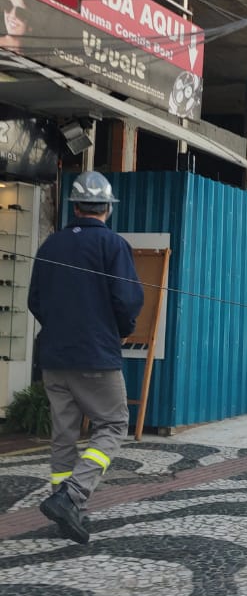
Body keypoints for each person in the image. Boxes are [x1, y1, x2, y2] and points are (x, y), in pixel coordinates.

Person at [27, 172, 144, 544]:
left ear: (74, 206)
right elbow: (127, 300)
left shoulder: (50, 246)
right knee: (113, 424)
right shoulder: (113, 245)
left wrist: (61, 329)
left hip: (54, 357)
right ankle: (72, 496)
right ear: (108, 208)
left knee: (64, 433)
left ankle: (66, 504)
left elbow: (35, 300)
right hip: (96, 357)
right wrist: (121, 328)